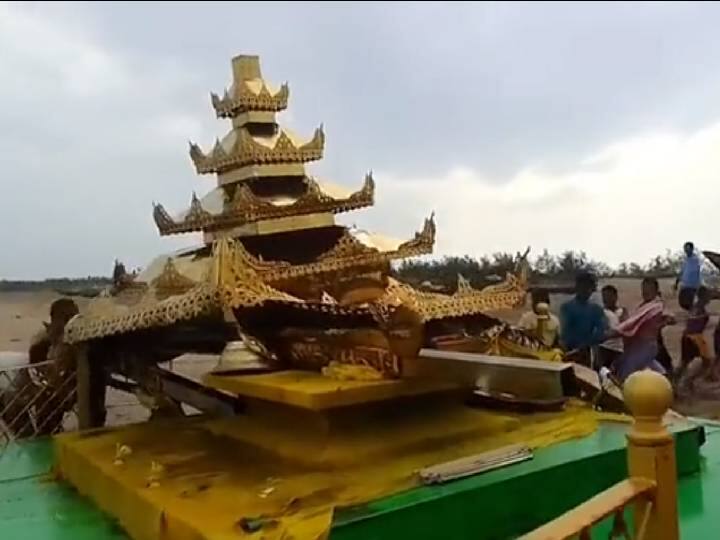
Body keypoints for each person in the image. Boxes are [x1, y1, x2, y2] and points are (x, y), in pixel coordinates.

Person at [610, 277, 676, 383]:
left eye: (649, 289)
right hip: (643, 344)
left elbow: (669, 315)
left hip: (647, 344)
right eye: (644, 289)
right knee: (649, 365)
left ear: (655, 291)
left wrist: (665, 320)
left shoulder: (655, 306)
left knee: (627, 370)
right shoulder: (644, 306)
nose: (645, 292)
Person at [559, 271, 607, 366]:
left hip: (587, 353)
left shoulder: (596, 310)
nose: (586, 290)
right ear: (577, 287)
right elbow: (564, 331)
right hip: (568, 352)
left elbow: (601, 333)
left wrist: (587, 344)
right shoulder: (566, 307)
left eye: (589, 287)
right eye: (583, 286)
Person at [676, 286, 716, 388]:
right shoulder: (700, 307)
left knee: (684, 362)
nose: (710, 298)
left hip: (686, 337)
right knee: (706, 362)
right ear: (704, 297)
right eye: (709, 296)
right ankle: (687, 381)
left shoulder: (695, 307)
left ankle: (675, 380)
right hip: (696, 338)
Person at [599, 285, 628, 368]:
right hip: (604, 348)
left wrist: (612, 332)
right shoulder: (601, 312)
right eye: (604, 296)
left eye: (608, 296)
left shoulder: (623, 310)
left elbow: (626, 328)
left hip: (619, 349)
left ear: (615, 297)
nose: (605, 299)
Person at [675, 241, 701, 310]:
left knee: (689, 303)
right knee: (683, 303)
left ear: (692, 249)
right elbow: (681, 272)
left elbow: (698, 272)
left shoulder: (696, 260)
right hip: (685, 286)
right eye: (685, 249)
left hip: (692, 286)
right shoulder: (684, 260)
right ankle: (694, 312)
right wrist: (676, 283)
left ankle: (695, 314)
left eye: (688, 248)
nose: (686, 250)